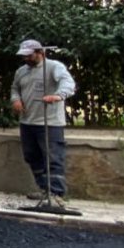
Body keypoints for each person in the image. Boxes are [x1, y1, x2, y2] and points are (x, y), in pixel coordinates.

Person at [10, 39, 76, 200]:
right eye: (24, 56)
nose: (26, 59)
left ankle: (56, 193)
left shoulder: (54, 67)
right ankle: (44, 189)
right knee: (32, 156)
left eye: (29, 55)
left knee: (53, 158)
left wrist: (58, 95)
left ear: (41, 53)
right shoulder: (21, 71)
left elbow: (68, 83)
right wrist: (16, 100)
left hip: (49, 122)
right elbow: (15, 88)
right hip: (27, 121)